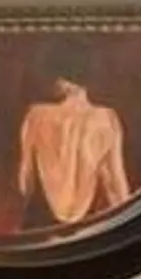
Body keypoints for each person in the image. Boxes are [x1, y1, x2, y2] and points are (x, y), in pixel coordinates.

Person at [12, 76, 134, 229]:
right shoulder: (107, 120)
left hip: (39, 225)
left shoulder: (36, 116)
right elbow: (116, 188)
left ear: (63, 81)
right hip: (86, 225)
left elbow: (25, 183)